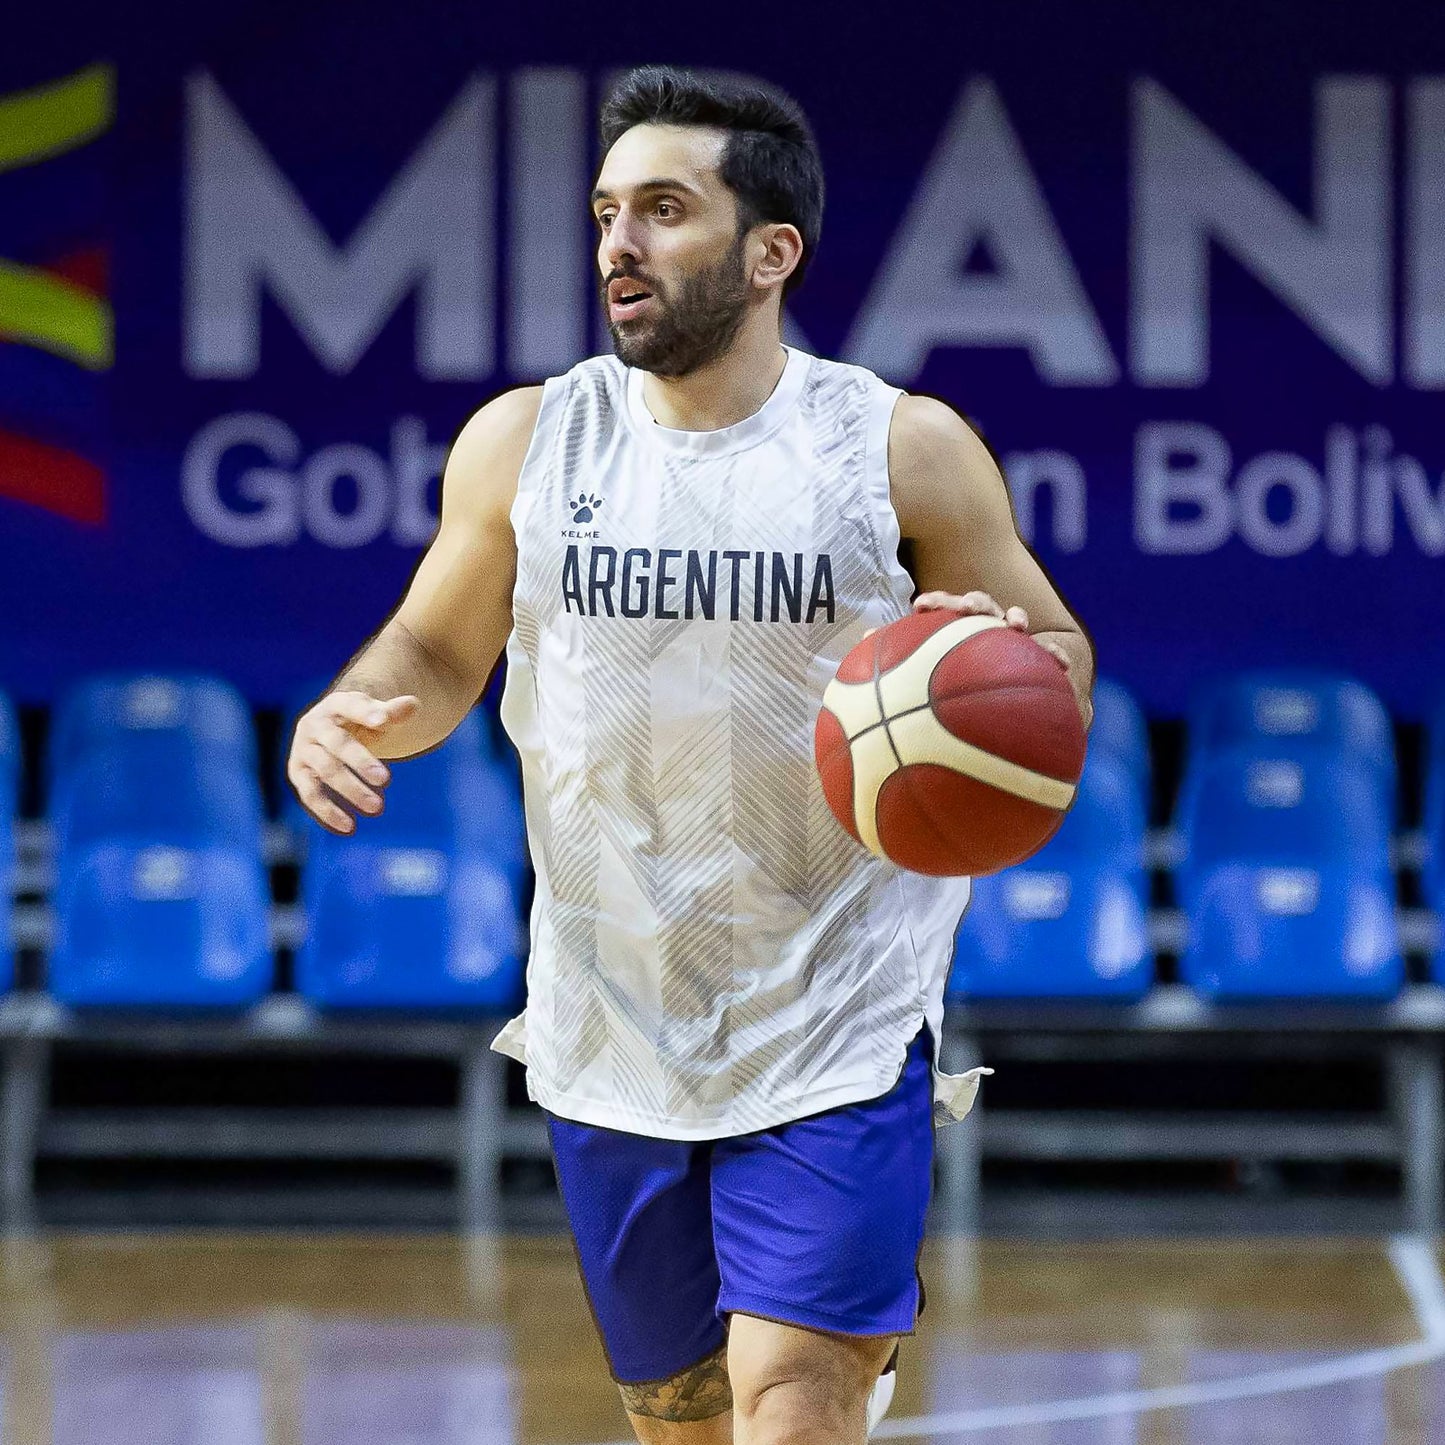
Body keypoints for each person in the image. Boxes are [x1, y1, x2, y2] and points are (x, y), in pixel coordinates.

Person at [287, 64, 1093, 1445]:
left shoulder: (899, 449)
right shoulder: (530, 441)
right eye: (607, 210)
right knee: (683, 1417)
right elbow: (433, 649)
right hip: (613, 1009)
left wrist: (999, 658)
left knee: (796, 1397)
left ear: (769, 251)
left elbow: (1055, 652)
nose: (618, 242)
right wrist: (353, 708)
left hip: (836, 1009)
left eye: (664, 208)